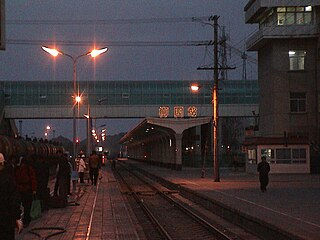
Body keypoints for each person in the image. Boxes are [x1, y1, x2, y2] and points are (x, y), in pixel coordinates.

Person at [0, 153, 22, 240]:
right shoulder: (8, 180)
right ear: (3, 164)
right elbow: (14, 202)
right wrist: (17, 218)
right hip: (6, 221)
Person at [14, 155, 37, 227]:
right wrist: (34, 189)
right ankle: (26, 219)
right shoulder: (27, 168)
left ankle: (25, 219)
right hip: (26, 189)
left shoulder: (19, 169)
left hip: (23, 189)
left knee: (24, 205)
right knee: (27, 205)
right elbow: (33, 179)